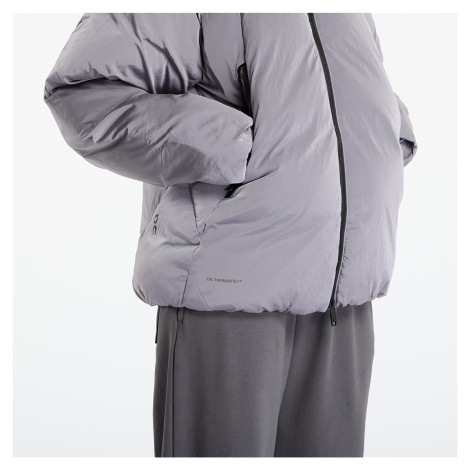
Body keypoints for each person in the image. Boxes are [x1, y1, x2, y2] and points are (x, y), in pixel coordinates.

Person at [44, 13, 418, 457]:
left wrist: (387, 136)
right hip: (230, 290)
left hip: (346, 295)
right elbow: (83, 92)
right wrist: (239, 148)